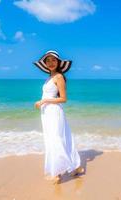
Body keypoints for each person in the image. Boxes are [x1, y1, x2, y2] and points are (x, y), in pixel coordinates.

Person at [34, 50, 84, 184]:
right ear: (45, 63)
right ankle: (76, 167)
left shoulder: (59, 77)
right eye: (48, 60)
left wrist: (44, 101)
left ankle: (57, 172)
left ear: (58, 62)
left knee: (57, 139)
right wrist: (41, 102)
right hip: (46, 113)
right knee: (54, 139)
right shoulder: (49, 78)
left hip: (54, 112)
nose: (50, 63)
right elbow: (47, 95)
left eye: (53, 60)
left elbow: (63, 99)